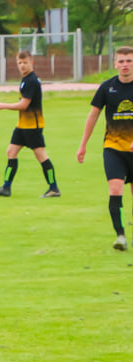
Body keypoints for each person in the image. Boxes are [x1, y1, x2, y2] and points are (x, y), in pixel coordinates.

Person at [77, 46, 133, 251]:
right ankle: (120, 236)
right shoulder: (107, 87)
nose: (125, 64)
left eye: (129, 60)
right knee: (115, 188)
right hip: (113, 148)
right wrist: (83, 145)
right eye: (122, 61)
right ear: (115, 63)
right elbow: (93, 116)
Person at [0, 51, 60, 199]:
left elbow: (24, 105)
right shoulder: (25, 80)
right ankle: (6, 187)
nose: (22, 65)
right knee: (11, 152)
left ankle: (54, 188)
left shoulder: (32, 81)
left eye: (25, 62)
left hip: (33, 126)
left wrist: (2, 105)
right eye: (19, 63)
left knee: (41, 156)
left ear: (31, 62)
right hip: (23, 125)